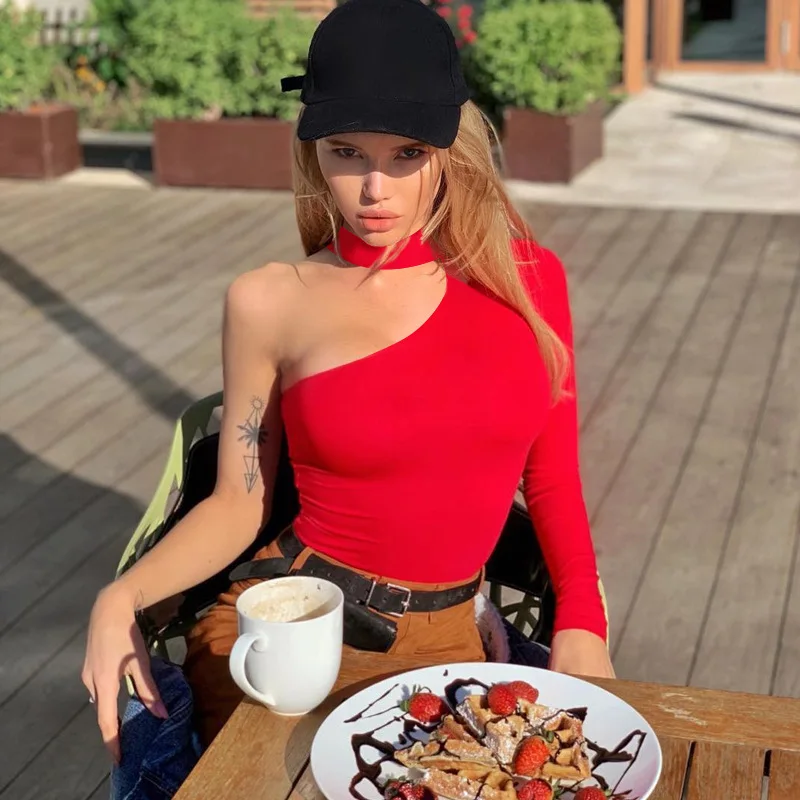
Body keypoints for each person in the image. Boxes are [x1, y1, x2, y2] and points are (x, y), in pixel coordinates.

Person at [82, 0, 614, 772]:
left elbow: (553, 474)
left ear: (452, 145)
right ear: (313, 149)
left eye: (407, 154)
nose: (373, 189)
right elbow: (238, 502)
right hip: (293, 629)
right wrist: (120, 597)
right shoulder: (270, 299)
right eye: (346, 152)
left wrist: (583, 621)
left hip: (452, 638)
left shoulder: (527, 281)